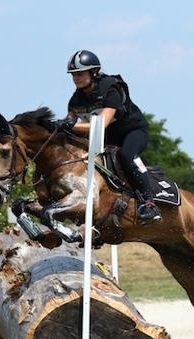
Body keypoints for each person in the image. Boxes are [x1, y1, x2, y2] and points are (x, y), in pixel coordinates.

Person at [56, 50, 161, 226]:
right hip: (107, 138)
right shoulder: (76, 99)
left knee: (127, 154)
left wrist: (70, 125)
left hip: (133, 132)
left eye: (80, 74)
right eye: (73, 75)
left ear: (94, 73)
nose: (76, 78)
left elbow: (101, 124)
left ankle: (149, 204)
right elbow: (69, 122)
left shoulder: (112, 89)